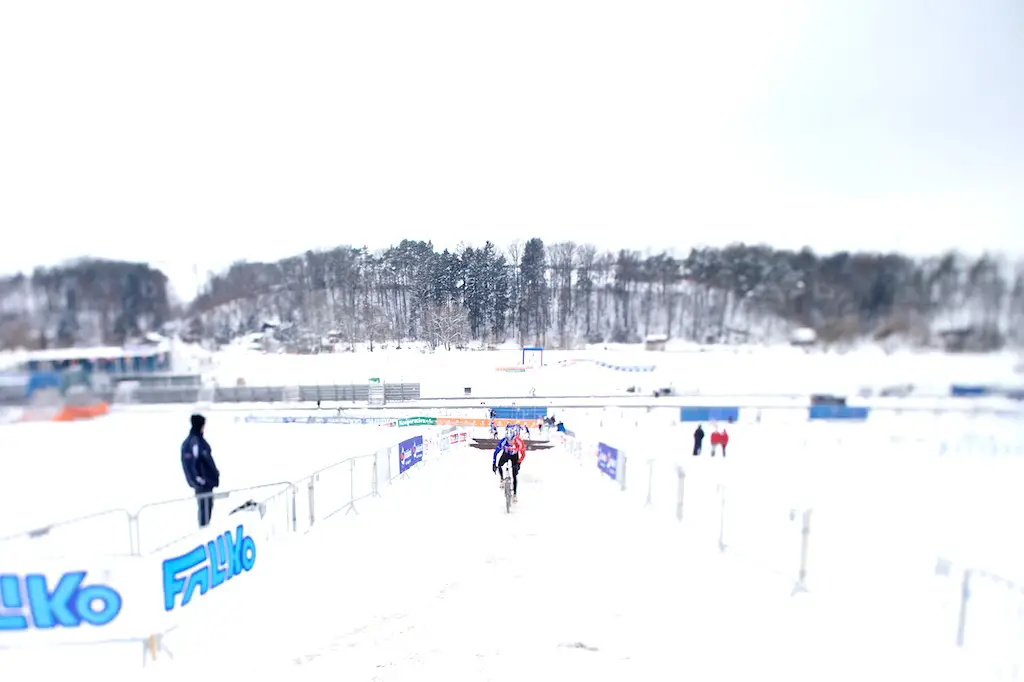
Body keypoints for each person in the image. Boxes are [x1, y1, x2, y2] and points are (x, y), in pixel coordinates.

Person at [181, 413, 220, 528]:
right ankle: (203, 534)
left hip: (207, 483)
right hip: (203, 484)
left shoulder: (199, 441)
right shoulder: (194, 443)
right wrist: (199, 481)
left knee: (207, 510)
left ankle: (205, 531)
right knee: (204, 511)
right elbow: (190, 464)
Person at [492, 434, 524, 503]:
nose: (510, 442)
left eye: (511, 440)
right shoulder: (503, 442)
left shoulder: (519, 442)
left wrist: (519, 462)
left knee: (514, 475)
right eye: (508, 440)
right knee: (499, 465)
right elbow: (496, 453)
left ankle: (515, 494)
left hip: (514, 456)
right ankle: (502, 479)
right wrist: (494, 463)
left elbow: (523, 454)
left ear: (514, 438)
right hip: (506, 454)